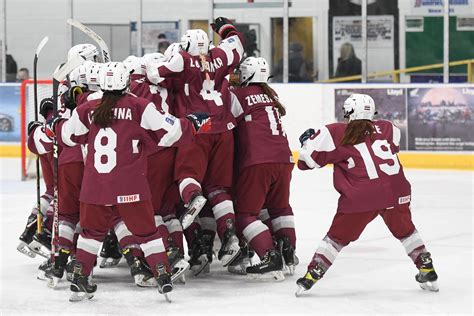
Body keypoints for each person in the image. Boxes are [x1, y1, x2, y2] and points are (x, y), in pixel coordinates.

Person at [46, 61, 211, 302]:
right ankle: (163, 275)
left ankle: (80, 278)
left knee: (91, 234)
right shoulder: (139, 106)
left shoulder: (87, 109)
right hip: (131, 187)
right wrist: (193, 123)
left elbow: (66, 136)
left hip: (95, 189)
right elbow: (172, 133)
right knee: (147, 232)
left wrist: (54, 122)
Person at [295, 93, 439, 296]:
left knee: (336, 238)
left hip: (361, 197)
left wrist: (306, 143)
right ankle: (426, 265)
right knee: (406, 231)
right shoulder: (389, 127)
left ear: (348, 112)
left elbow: (305, 163)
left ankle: (313, 273)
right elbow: (388, 146)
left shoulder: (336, 132)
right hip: (397, 191)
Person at [146, 17, 245, 268]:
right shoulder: (220, 56)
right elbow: (237, 44)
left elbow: (155, 75)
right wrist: (226, 28)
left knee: (186, 176)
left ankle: (192, 198)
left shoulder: (182, 59)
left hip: (197, 128)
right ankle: (230, 236)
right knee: (219, 189)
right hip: (224, 130)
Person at [229, 56, 297, 279]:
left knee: (246, 215)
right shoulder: (271, 95)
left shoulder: (238, 95)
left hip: (257, 160)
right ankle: (288, 252)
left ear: (247, 74)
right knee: (280, 208)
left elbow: (225, 124)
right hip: (284, 159)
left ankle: (269, 255)